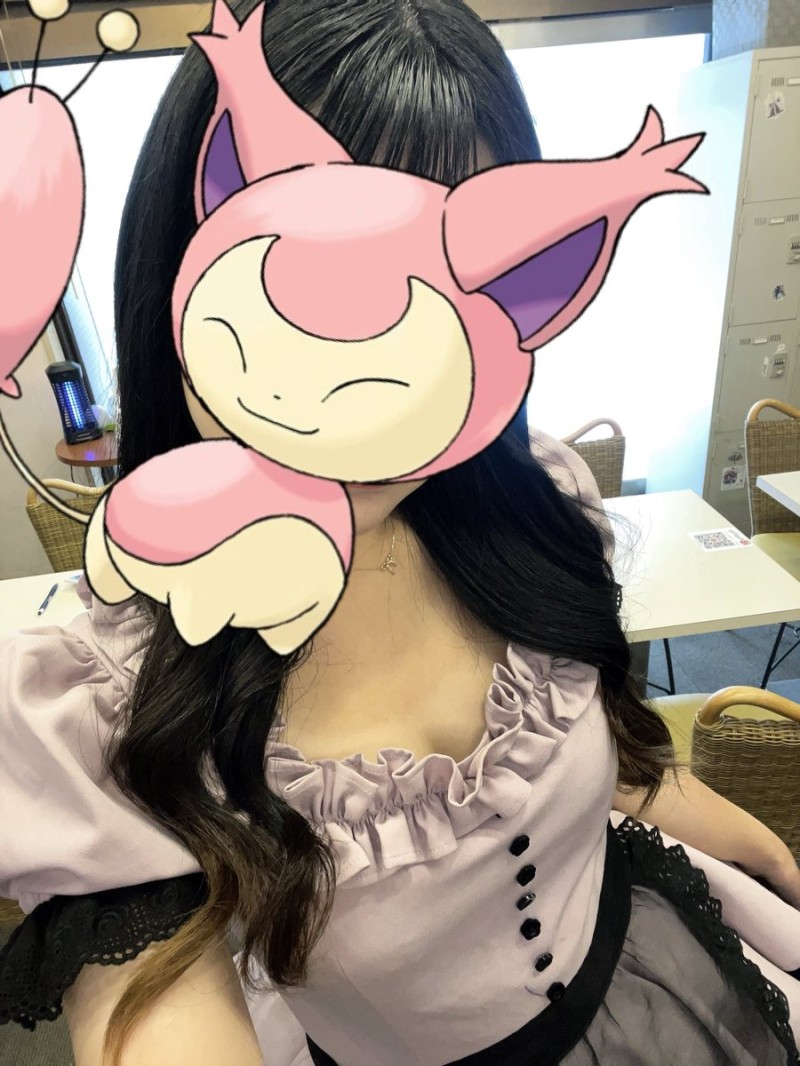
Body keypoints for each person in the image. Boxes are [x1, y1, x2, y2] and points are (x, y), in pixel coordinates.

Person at [2, 1, 800, 1064]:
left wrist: (761, 851)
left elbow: (608, 758)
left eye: (445, 285)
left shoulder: (534, 504)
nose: (362, 373)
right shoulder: (102, 697)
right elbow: (156, 1002)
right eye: (311, 277)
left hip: (667, 969)